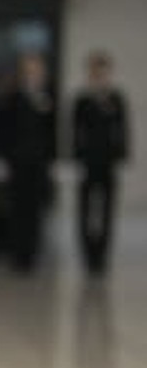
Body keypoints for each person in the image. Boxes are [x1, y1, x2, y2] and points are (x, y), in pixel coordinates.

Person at [0, 53, 57, 273]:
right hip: (17, 163)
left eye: (37, 71)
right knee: (17, 211)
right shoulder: (13, 98)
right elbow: (5, 131)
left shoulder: (48, 97)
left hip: (39, 164)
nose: (34, 75)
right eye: (29, 71)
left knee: (36, 211)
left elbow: (52, 132)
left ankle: (32, 253)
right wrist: (4, 160)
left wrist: (54, 159)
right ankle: (17, 254)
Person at [71, 50, 131, 276]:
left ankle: (102, 256)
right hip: (87, 164)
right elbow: (75, 132)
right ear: (89, 74)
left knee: (106, 210)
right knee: (85, 210)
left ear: (109, 73)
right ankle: (88, 255)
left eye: (103, 72)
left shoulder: (116, 99)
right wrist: (75, 160)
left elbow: (123, 130)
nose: (99, 76)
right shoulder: (82, 100)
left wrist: (122, 156)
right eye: (95, 72)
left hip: (108, 163)